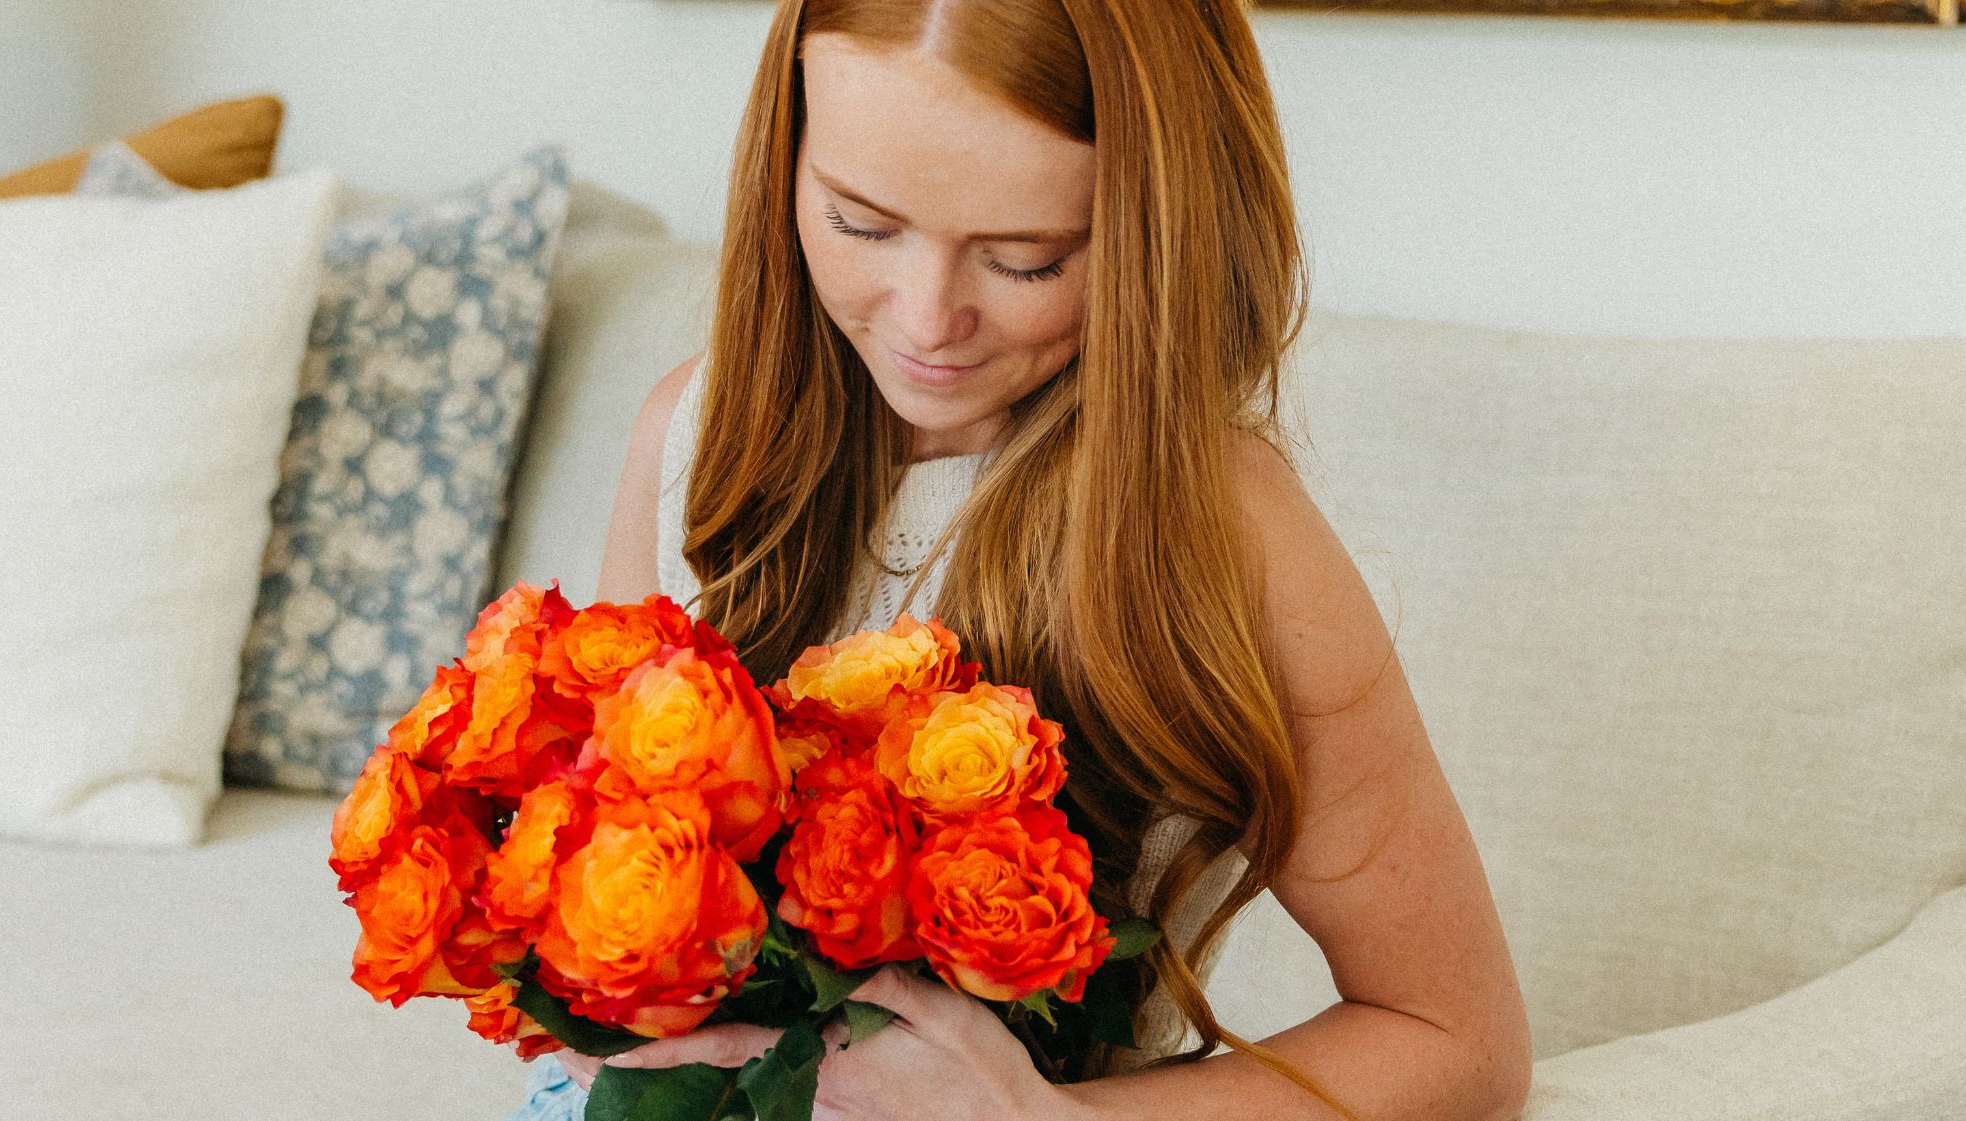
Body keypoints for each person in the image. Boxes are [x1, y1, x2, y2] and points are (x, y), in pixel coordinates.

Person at [507, 1, 1529, 1118]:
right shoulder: (691, 438)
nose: (927, 318)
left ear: (1156, 231)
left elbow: (1454, 1034)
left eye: (1023, 259)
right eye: (859, 223)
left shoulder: (1226, 537)